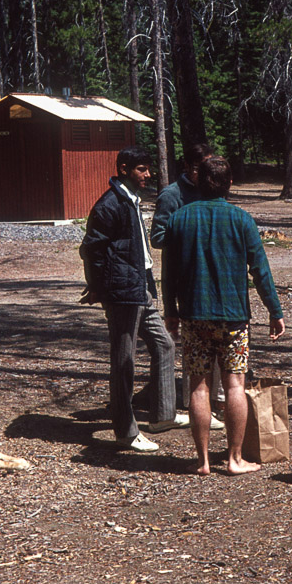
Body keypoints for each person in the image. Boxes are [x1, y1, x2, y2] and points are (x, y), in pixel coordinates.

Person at [162, 156, 286, 475]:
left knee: (199, 387)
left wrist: (170, 311)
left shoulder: (179, 219)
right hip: (233, 318)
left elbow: (169, 273)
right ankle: (234, 459)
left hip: (193, 316)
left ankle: (203, 461)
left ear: (198, 181)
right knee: (234, 385)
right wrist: (275, 311)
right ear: (229, 183)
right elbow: (260, 270)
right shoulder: (241, 219)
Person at [80, 146, 185, 452]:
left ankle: (163, 416)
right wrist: (98, 287)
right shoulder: (109, 204)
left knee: (164, 343)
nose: (148, 174)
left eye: (148, 169)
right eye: (142, 169)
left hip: (142, 285)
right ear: (124, 168)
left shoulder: (131, 199)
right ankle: (125, 431)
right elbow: (91, 250)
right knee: (124, 360)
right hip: (122, 291)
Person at [148, 143, 224, 429]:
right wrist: (187, 233)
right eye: (202, 168)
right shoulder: (171, 195)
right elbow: (157, 238)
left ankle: (214, 403)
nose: (207, 174)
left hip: (210, 272)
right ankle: (191, 404)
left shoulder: (208, 189)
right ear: (189, 168)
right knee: (191, 344)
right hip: (182, 274)